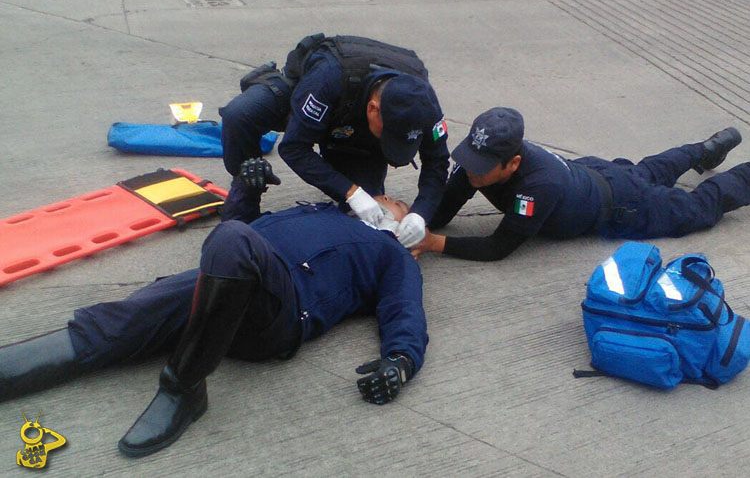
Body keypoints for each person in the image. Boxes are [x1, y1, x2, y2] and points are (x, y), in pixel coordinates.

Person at [0, 161, 427, 457]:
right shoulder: (317, 212)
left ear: (403, 224)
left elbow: (405, 311)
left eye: (396, 203)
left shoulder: (391, 255)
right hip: (222, 285)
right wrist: (246, 186)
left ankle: (183, 388)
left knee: (234, 242)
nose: (386, 198)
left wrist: (400, 362)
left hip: (278, 313)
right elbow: (234, 226)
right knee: (128, 319)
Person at [412, 107, 747, 261]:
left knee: (698, 207)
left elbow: (497, 248)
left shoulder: (538, 186)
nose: (472, 173)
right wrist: (412, 220)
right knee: (649, 170)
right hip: (594, 174)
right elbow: (442, 211)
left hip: (621, 206)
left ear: (513, 163)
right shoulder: (482, 159)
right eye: (470, 160)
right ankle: (706, 150)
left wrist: (432, 244)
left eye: (482, 169)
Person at [219, 34, 450, 248]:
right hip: (315, 98)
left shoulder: (424, 104)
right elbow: (294, 148)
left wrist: (421, 213)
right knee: (239, 115)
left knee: (367, 218)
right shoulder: (328, 77)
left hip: (354, 137)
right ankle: (247, 189)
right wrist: (351, 192)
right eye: (389, 136)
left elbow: (438, 163)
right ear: (372, 109)